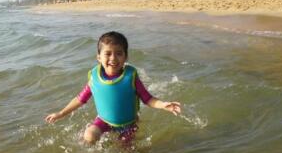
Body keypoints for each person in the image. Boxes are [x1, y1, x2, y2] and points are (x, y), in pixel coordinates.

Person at [45, 31, 181, 145]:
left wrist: (163, 105)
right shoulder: (94, 77)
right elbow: (80, 99)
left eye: (119, 53)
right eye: (108, 53)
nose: (113, 58)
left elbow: (148, 99)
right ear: (98, 57)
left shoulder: (131, 77)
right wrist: (61, 113)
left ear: (126, 57)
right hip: (104, 120)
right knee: (89, 136)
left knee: (127, 150)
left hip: (127, 124)